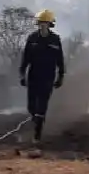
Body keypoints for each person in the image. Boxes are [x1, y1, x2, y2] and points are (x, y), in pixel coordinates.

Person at [19, 9, 66, 145]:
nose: (42, 25)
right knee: (31, 106)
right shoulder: (32, 38)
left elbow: (60, 60)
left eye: (45, 23)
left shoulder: (55, 40)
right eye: (40, 23)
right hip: (33, 76)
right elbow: (25, 58)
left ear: (50, 24)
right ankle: (35, 120)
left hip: (48, 77)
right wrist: (22, 74)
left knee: (42, 106)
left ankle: (37, 135)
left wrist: (60, 76)